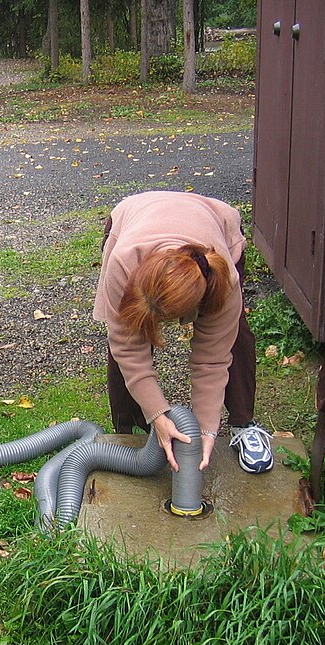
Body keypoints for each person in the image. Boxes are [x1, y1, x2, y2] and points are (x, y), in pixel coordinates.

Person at [93, 190, 273, 474]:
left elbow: (211, 361)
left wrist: (205, 430)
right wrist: (159, 415)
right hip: (135, 215)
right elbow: (128, 349)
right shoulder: (123, 263)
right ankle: (128, 433)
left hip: (214, 223)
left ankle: (243, 425)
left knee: (233, 337)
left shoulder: (223, 284)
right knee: (123, 342)